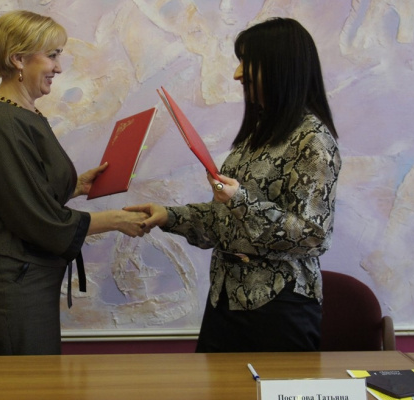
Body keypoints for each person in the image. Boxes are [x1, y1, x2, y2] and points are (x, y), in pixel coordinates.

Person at [126, 18, 341, 352]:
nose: (238, 74)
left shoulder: (313, 140)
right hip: (225, 300)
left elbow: (314, 236)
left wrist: (239, 199)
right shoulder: (257, 136)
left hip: (279, 308)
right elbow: (227, 223)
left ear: (279, 67)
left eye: (247, 62)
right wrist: (168, 217)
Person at [0, 10, 148, 356]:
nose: (59, 68)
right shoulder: (3, 124)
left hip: (25, 273)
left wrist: (76, 186)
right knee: (25, 381)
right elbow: (36, 217)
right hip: (14, 277)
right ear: (18, 59)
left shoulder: (21, 115)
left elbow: (23, 191)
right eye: (52, 55)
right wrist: (116, 220)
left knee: (37, 377)